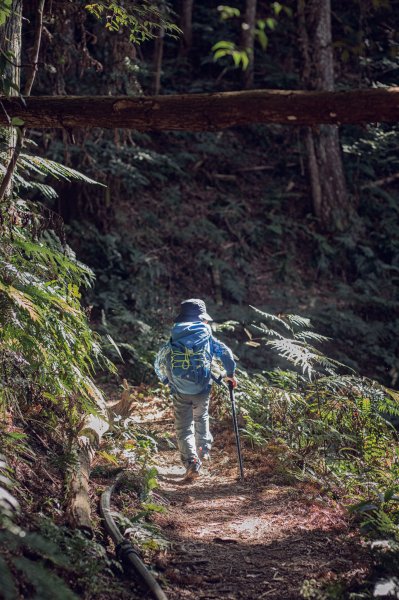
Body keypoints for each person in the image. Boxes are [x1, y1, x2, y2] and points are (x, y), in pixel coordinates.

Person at [154, 298, 237, 480]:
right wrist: (230, 373)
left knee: (183, 428)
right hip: (202, 388)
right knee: (201, 417)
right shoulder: (206, 334)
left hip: (179, 390)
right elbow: (226, 354)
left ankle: (191, 461)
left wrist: (166, 380)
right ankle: (203, 449)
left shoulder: (175, 334)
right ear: (202, 317)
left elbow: (160, 360)